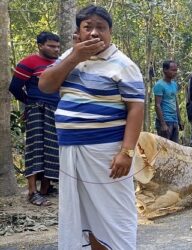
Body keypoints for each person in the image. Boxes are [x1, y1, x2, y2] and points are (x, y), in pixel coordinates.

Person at [39, 5, 144, 249]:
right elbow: (45, 85)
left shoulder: (123, 64)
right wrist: (76, 56)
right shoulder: (69, 57)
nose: (95, 33)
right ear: (79, 32)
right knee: (84, 216)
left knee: (116, 216)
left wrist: (126, 152)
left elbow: (136, 109)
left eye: (101, 28)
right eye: (88, 27)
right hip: (70, 151)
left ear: (110, 32)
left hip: (106, 154)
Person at [9, 31, 61, 206]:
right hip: (37, 109)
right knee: (35, 147)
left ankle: (45, 189)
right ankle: (32, 191)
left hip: (57, 111)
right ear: (40, 46)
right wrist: (30, 103)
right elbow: (15, 87)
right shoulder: (29, 62)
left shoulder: (60, 63)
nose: (56, 49)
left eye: (57, 46)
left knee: (53, 149)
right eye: (51, 46)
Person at [153, 60, 183, 143]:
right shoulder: (159, 85)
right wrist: (163, 124)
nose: (175, 72)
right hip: (165, 120)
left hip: (174, 120)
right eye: (172, 70)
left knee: (175, 147)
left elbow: (175, 102)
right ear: (165, 70)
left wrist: (179, 120)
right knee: (164, 148)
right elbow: (157, 105)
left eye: (176, 70)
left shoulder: (174, 84)